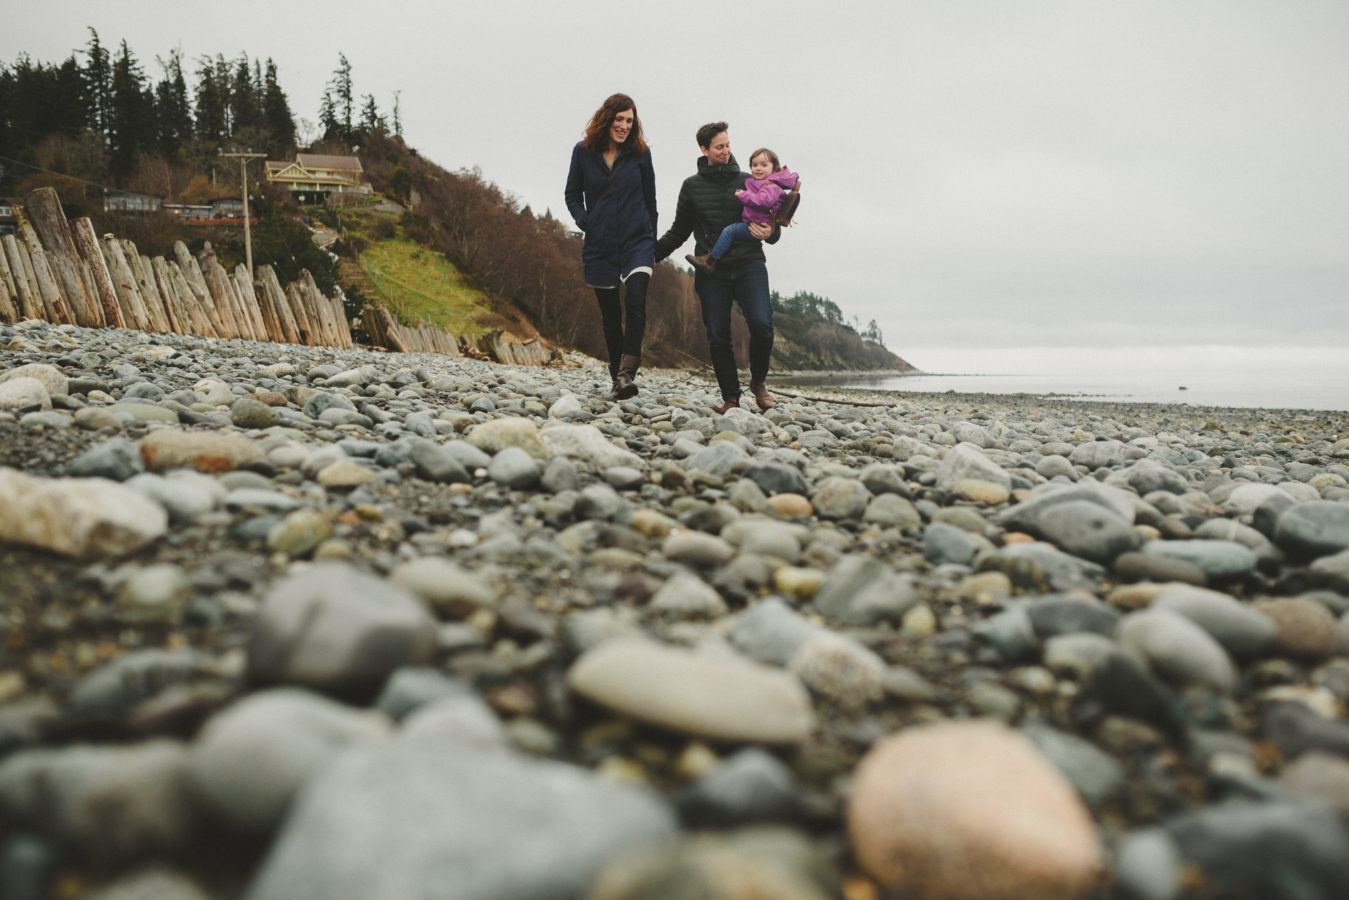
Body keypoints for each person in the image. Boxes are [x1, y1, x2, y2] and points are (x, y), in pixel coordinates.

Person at [655, 122, 780, 413]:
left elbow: (774, 224)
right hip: (711, 269)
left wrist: (771, 232)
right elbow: (679, 231)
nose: (726, 151)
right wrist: (649, 255)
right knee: (717, 334)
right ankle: (731, 397)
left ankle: (758, 383)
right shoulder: (692, 186)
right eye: (719, 147)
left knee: (762, 325)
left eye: (728, 145)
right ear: (704, 150)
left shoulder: (750, 180)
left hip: (749, 263)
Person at [564, 93, 658, 399]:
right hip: (600, 244)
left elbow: (651, 200)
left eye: (630, 120)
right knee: (610, 316)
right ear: (607, 119)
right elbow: (572, 195)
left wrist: (651, 241)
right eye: (619, 119)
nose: (624, 126)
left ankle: (627, 373)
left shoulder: (640, 153)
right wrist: (586, 222)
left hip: (637, 241)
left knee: (636, 300)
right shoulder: (583, 152)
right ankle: (618, 379)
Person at [686, 147, 799, 276]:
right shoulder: (760, 183)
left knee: (730, 231)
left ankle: (710, 261)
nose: (758, 168)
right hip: (755, 223)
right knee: (731, 232)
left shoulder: (771, 186)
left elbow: (763, 201)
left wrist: (743, 195)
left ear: (774, 168)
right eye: (754, 165)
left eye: (764, 165)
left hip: (757, 225)